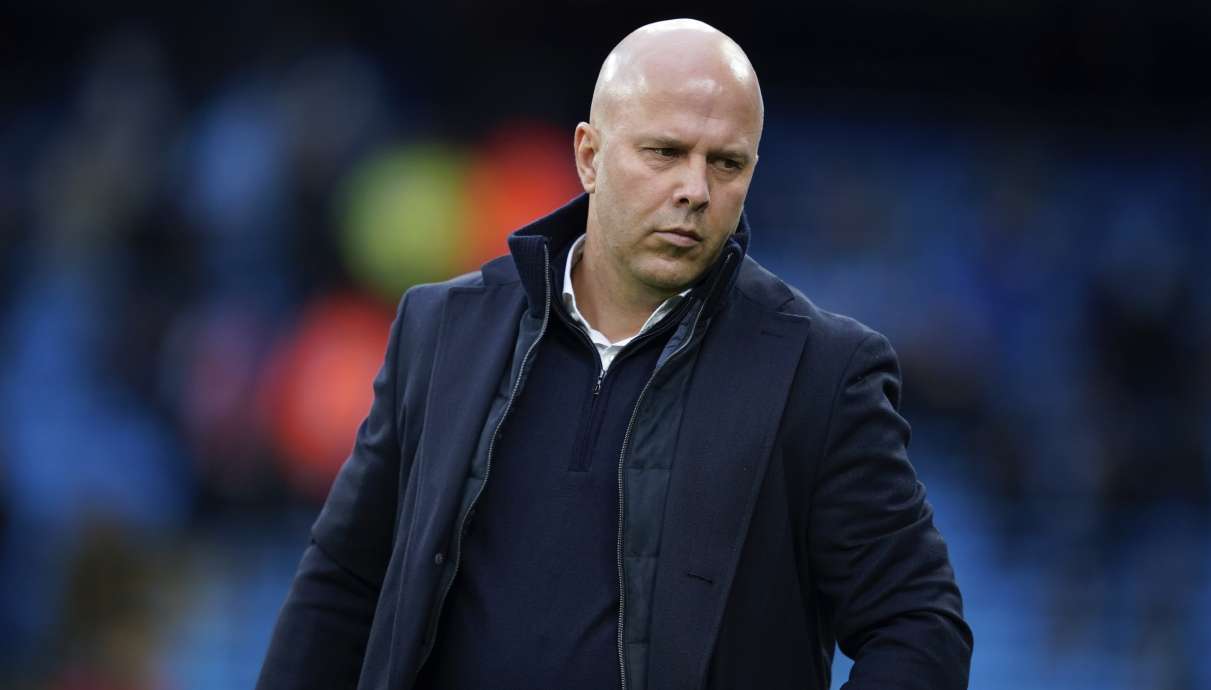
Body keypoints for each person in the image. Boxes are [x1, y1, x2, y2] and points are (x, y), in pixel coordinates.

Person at [257, 18, 972, 690]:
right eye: (664, 152)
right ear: (589, 157)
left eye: (726, 163)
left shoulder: (820, 372)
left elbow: (920, 625)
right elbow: (344, 580)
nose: (694, 189)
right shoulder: (442, 329)